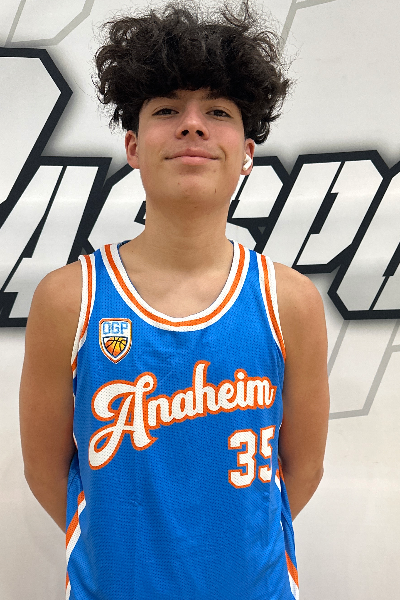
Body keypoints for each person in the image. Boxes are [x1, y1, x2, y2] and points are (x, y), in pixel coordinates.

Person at [19, 2, 329, 598]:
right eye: (167, 110)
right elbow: (44, 469)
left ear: (247, 152)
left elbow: (305, 468)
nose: (192, 125)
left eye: (218, 111)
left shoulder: (289, 300)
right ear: (133, 146)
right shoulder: (69, 298)